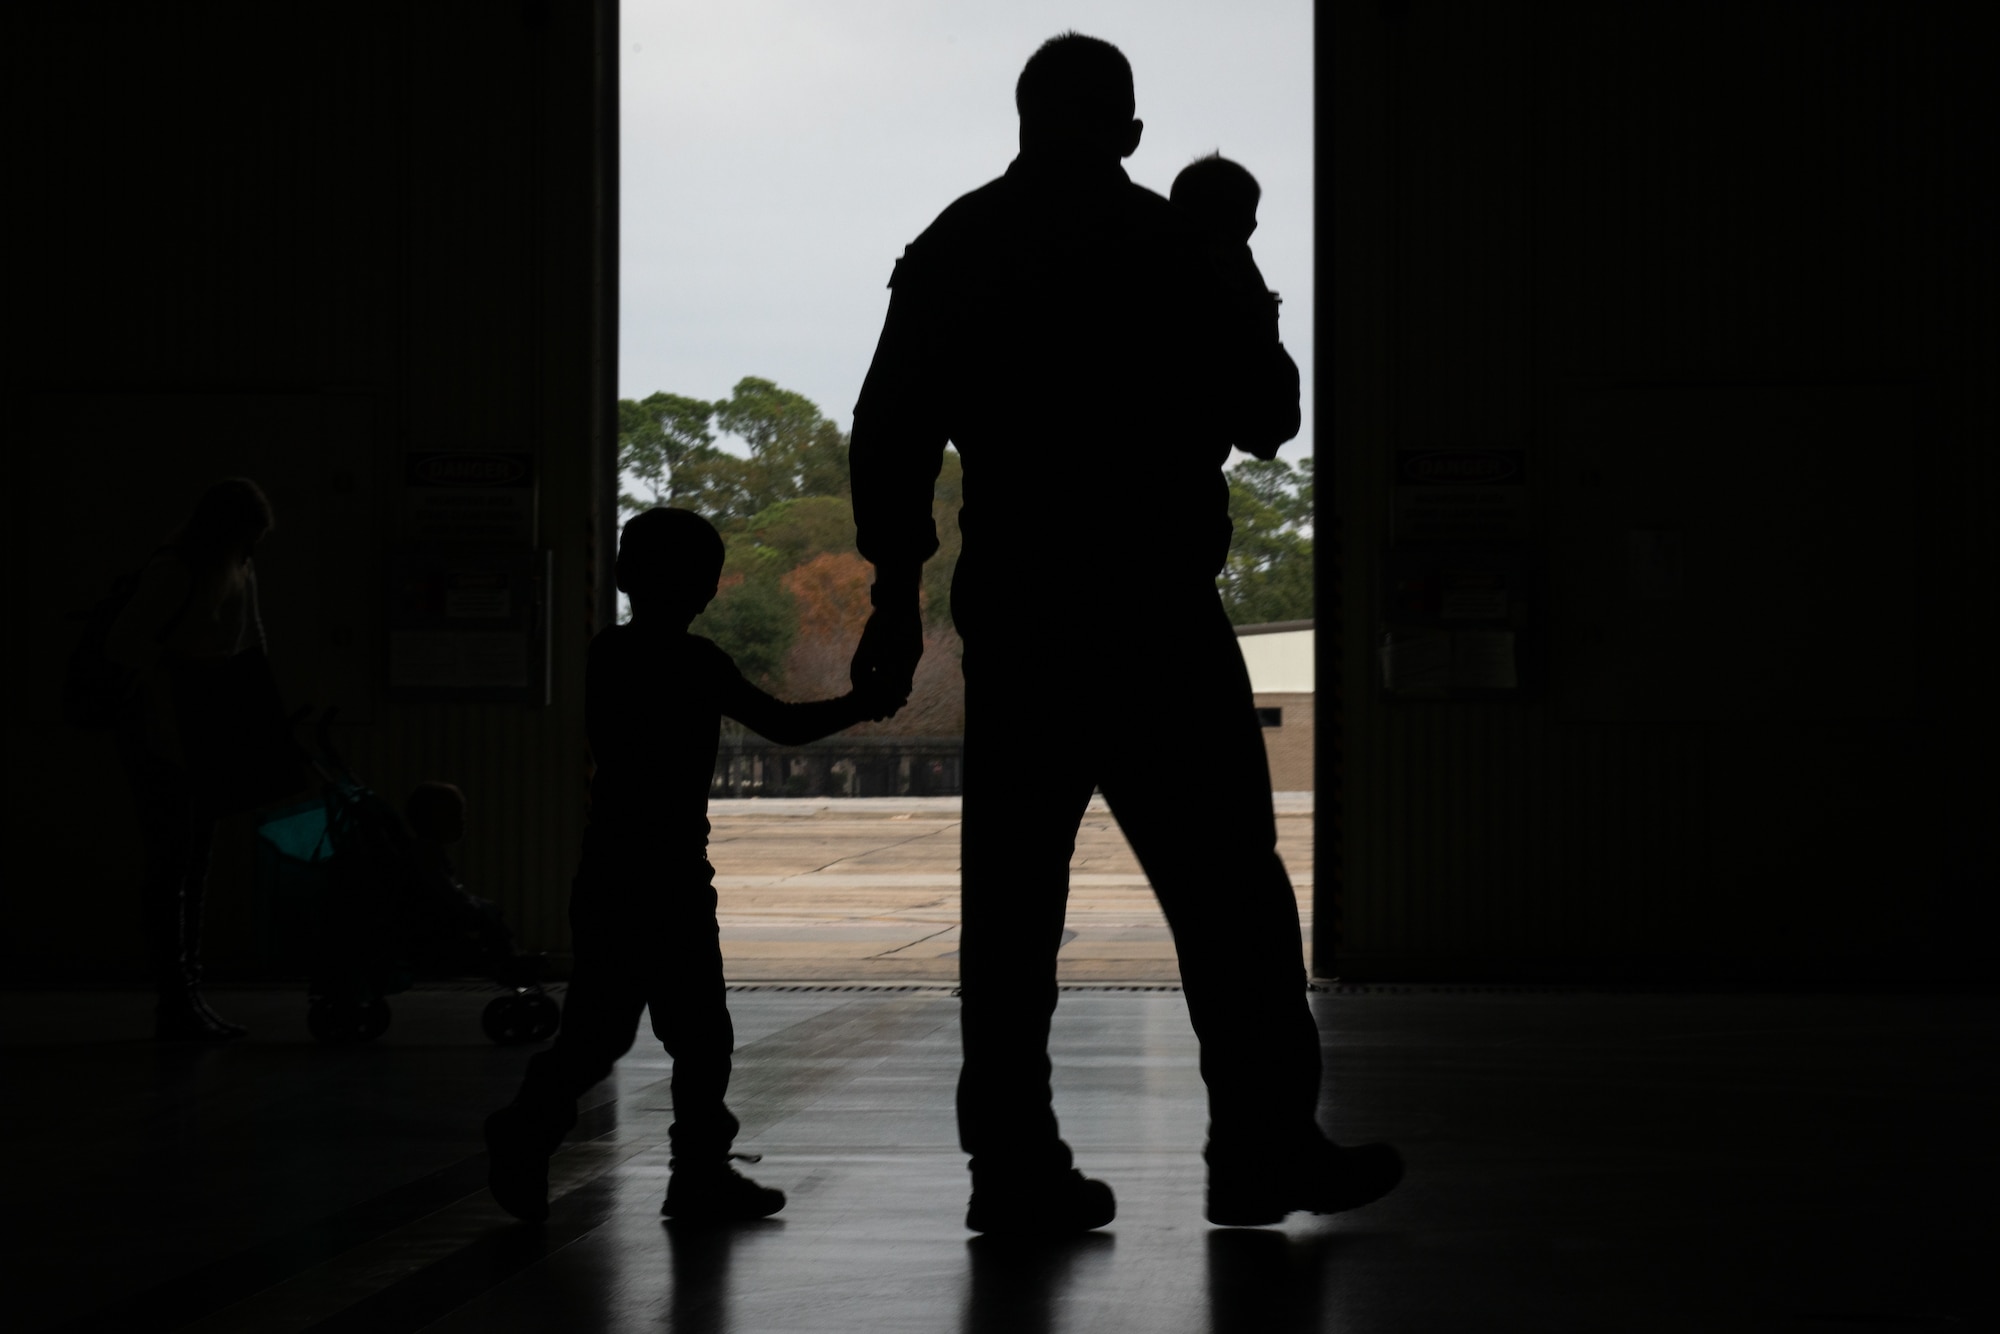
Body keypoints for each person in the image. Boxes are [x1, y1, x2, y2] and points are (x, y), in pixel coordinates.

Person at [845, 32, 1402, 1233]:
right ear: (1132, 134)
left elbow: (889, 428)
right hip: (1153, 610)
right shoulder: (1172, 248)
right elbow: (1267, 415)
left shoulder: (957, 246)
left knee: (1008, 910)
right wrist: (1236, 261)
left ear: (1023, 120)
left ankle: (1012, 1165)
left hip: (1022, 615)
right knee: (1231, 902)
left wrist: (896, 594)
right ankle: (1258, 1147)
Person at [483, 507, 904, 1225]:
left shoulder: (607, 653)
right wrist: (863, 703)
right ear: (708, 588)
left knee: (600, 1033)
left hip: (611, 869)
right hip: (671, 874)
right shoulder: (696, 662)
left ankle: (530, 1127)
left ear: (623, 576)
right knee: (701, 1035)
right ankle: (695, 1173)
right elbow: (785, 727)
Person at [105, 477, 276, 1041]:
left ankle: (183, 996)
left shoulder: (226, 566)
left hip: (193, 731)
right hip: (168, 732)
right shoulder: (179, 571)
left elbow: (248, 641)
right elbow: (124, 643)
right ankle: (178, 998)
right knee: (177, 867)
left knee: (186, 867)